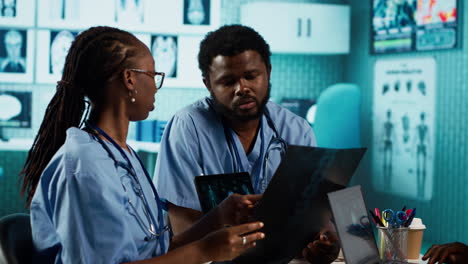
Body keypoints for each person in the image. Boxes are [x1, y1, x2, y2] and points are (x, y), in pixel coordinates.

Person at [20, 26, 265, 264]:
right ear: (129, 79)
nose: (156, 86)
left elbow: (157, 251)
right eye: (152, 75)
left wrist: (218, 217)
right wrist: (204, 251)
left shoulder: (122, 154)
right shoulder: (85, 164)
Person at [154, 24, 340, 263]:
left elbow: (312, 218)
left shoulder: (296, 130)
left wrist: (322, 241)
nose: (242, 89)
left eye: (251, 76)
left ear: (268, 72)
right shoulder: (188, 127)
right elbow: (183, 228)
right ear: (208, 83)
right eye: (228, 81)